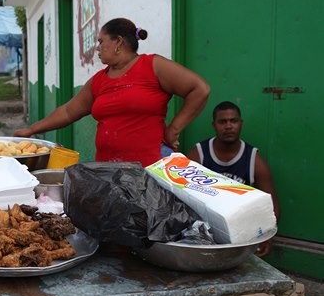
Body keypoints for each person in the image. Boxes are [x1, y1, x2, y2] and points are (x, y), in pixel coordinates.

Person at [14, 18, 210, 167]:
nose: (97, 48)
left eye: (101, 42)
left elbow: (200, 89)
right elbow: (68, 112)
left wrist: (174, 129)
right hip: (109, 171)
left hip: (150, 168)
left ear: (118, 42)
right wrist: (32, 131)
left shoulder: (153, 66)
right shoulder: (100, 80)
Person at [186, 101, 280, 256]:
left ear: (241, 124)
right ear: (214, 125)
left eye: (233, 121)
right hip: (203, 227)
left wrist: (266, 236)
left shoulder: (253, 159)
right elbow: (180, 195)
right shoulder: (199, 153)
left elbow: (272, 204)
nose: (228, 126)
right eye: (222, 122)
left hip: (239, 229)